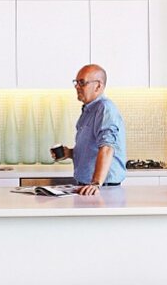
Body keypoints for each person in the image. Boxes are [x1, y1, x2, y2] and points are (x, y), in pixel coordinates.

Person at [52, 64, 126, 196]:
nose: (76, 86)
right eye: (76, 82)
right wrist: (69, 153)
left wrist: (96, 183)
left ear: (98, 86)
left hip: (102, 188)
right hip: (89, 187)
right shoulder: (88, 110)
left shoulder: (105, 108)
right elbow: (91, 148)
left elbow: (107, 147)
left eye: (82, 82)